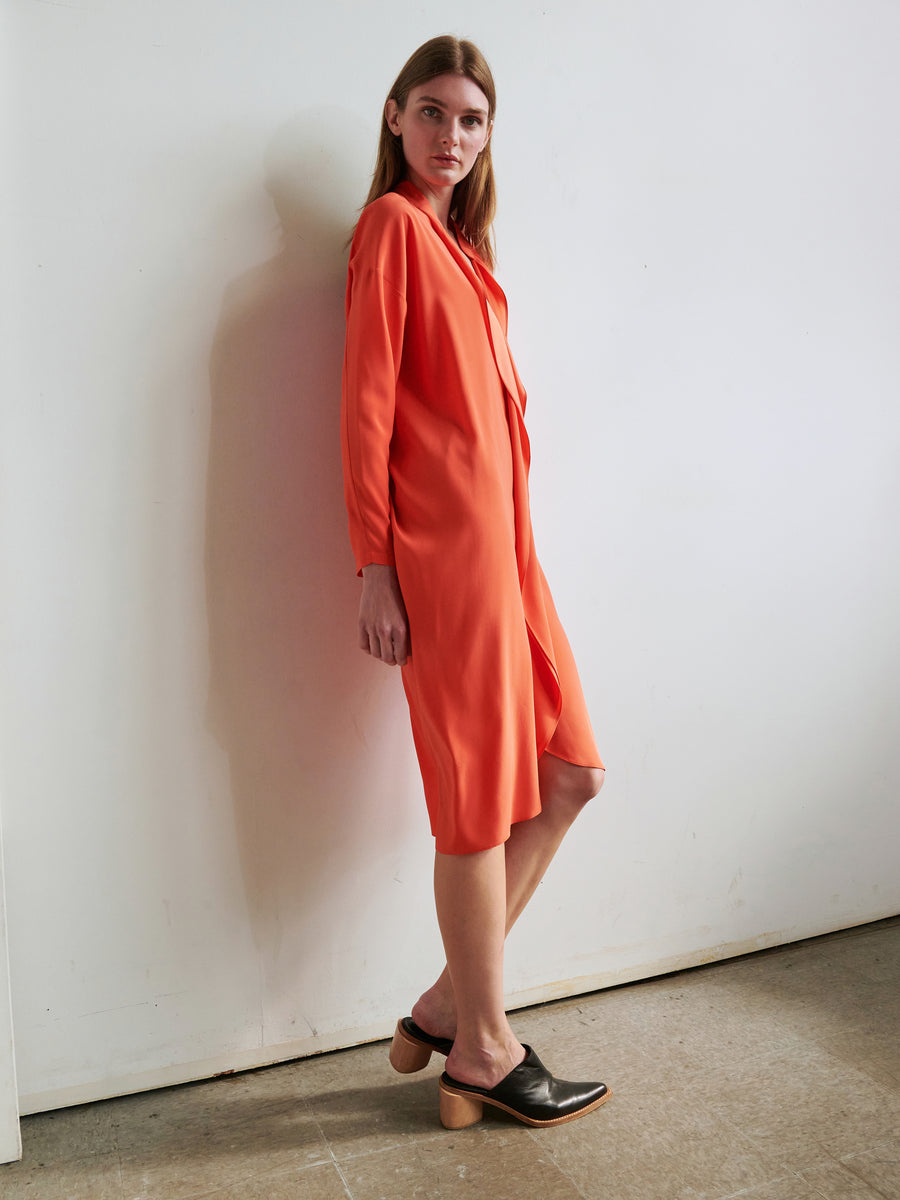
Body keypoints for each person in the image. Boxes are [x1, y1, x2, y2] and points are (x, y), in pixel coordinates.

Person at [341, 35, 610, 1130]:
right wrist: (376, 569)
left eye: (473, 120)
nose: (453, 137)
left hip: (511, 562)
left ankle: (453, 1003)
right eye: (435, 113)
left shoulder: (465, 246)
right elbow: (364, 409)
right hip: (445, 568)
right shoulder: (394, 230)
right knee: (475, 812)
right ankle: (485, 1054)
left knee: (571, 775)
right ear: (397, 118)